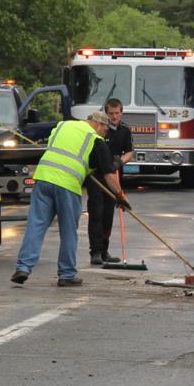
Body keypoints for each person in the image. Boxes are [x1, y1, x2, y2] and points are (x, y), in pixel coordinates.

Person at [11, 111, 129, 287]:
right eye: (105, 130)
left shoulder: (62, 125)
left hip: (43, 179)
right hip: (67, 185)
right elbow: (110, 175)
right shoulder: (96, 140)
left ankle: (23, 267)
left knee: (35, 226)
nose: (106, 134)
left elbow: (68, 151)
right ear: (98, 124)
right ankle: (67, 274)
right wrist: (119, 196)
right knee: (68, 231)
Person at [86, 98, 135, 265]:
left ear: (121, 112)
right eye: (111, 113)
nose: (114, 117)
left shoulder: (124, 131)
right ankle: (96, 252)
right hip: (96, 176)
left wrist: (120, 161)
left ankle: (105, 251)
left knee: (108, 215)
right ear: (106, 114)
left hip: (113, 176)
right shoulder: (99, 130)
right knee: (96, 213)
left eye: (117, 113)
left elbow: (130, 152)